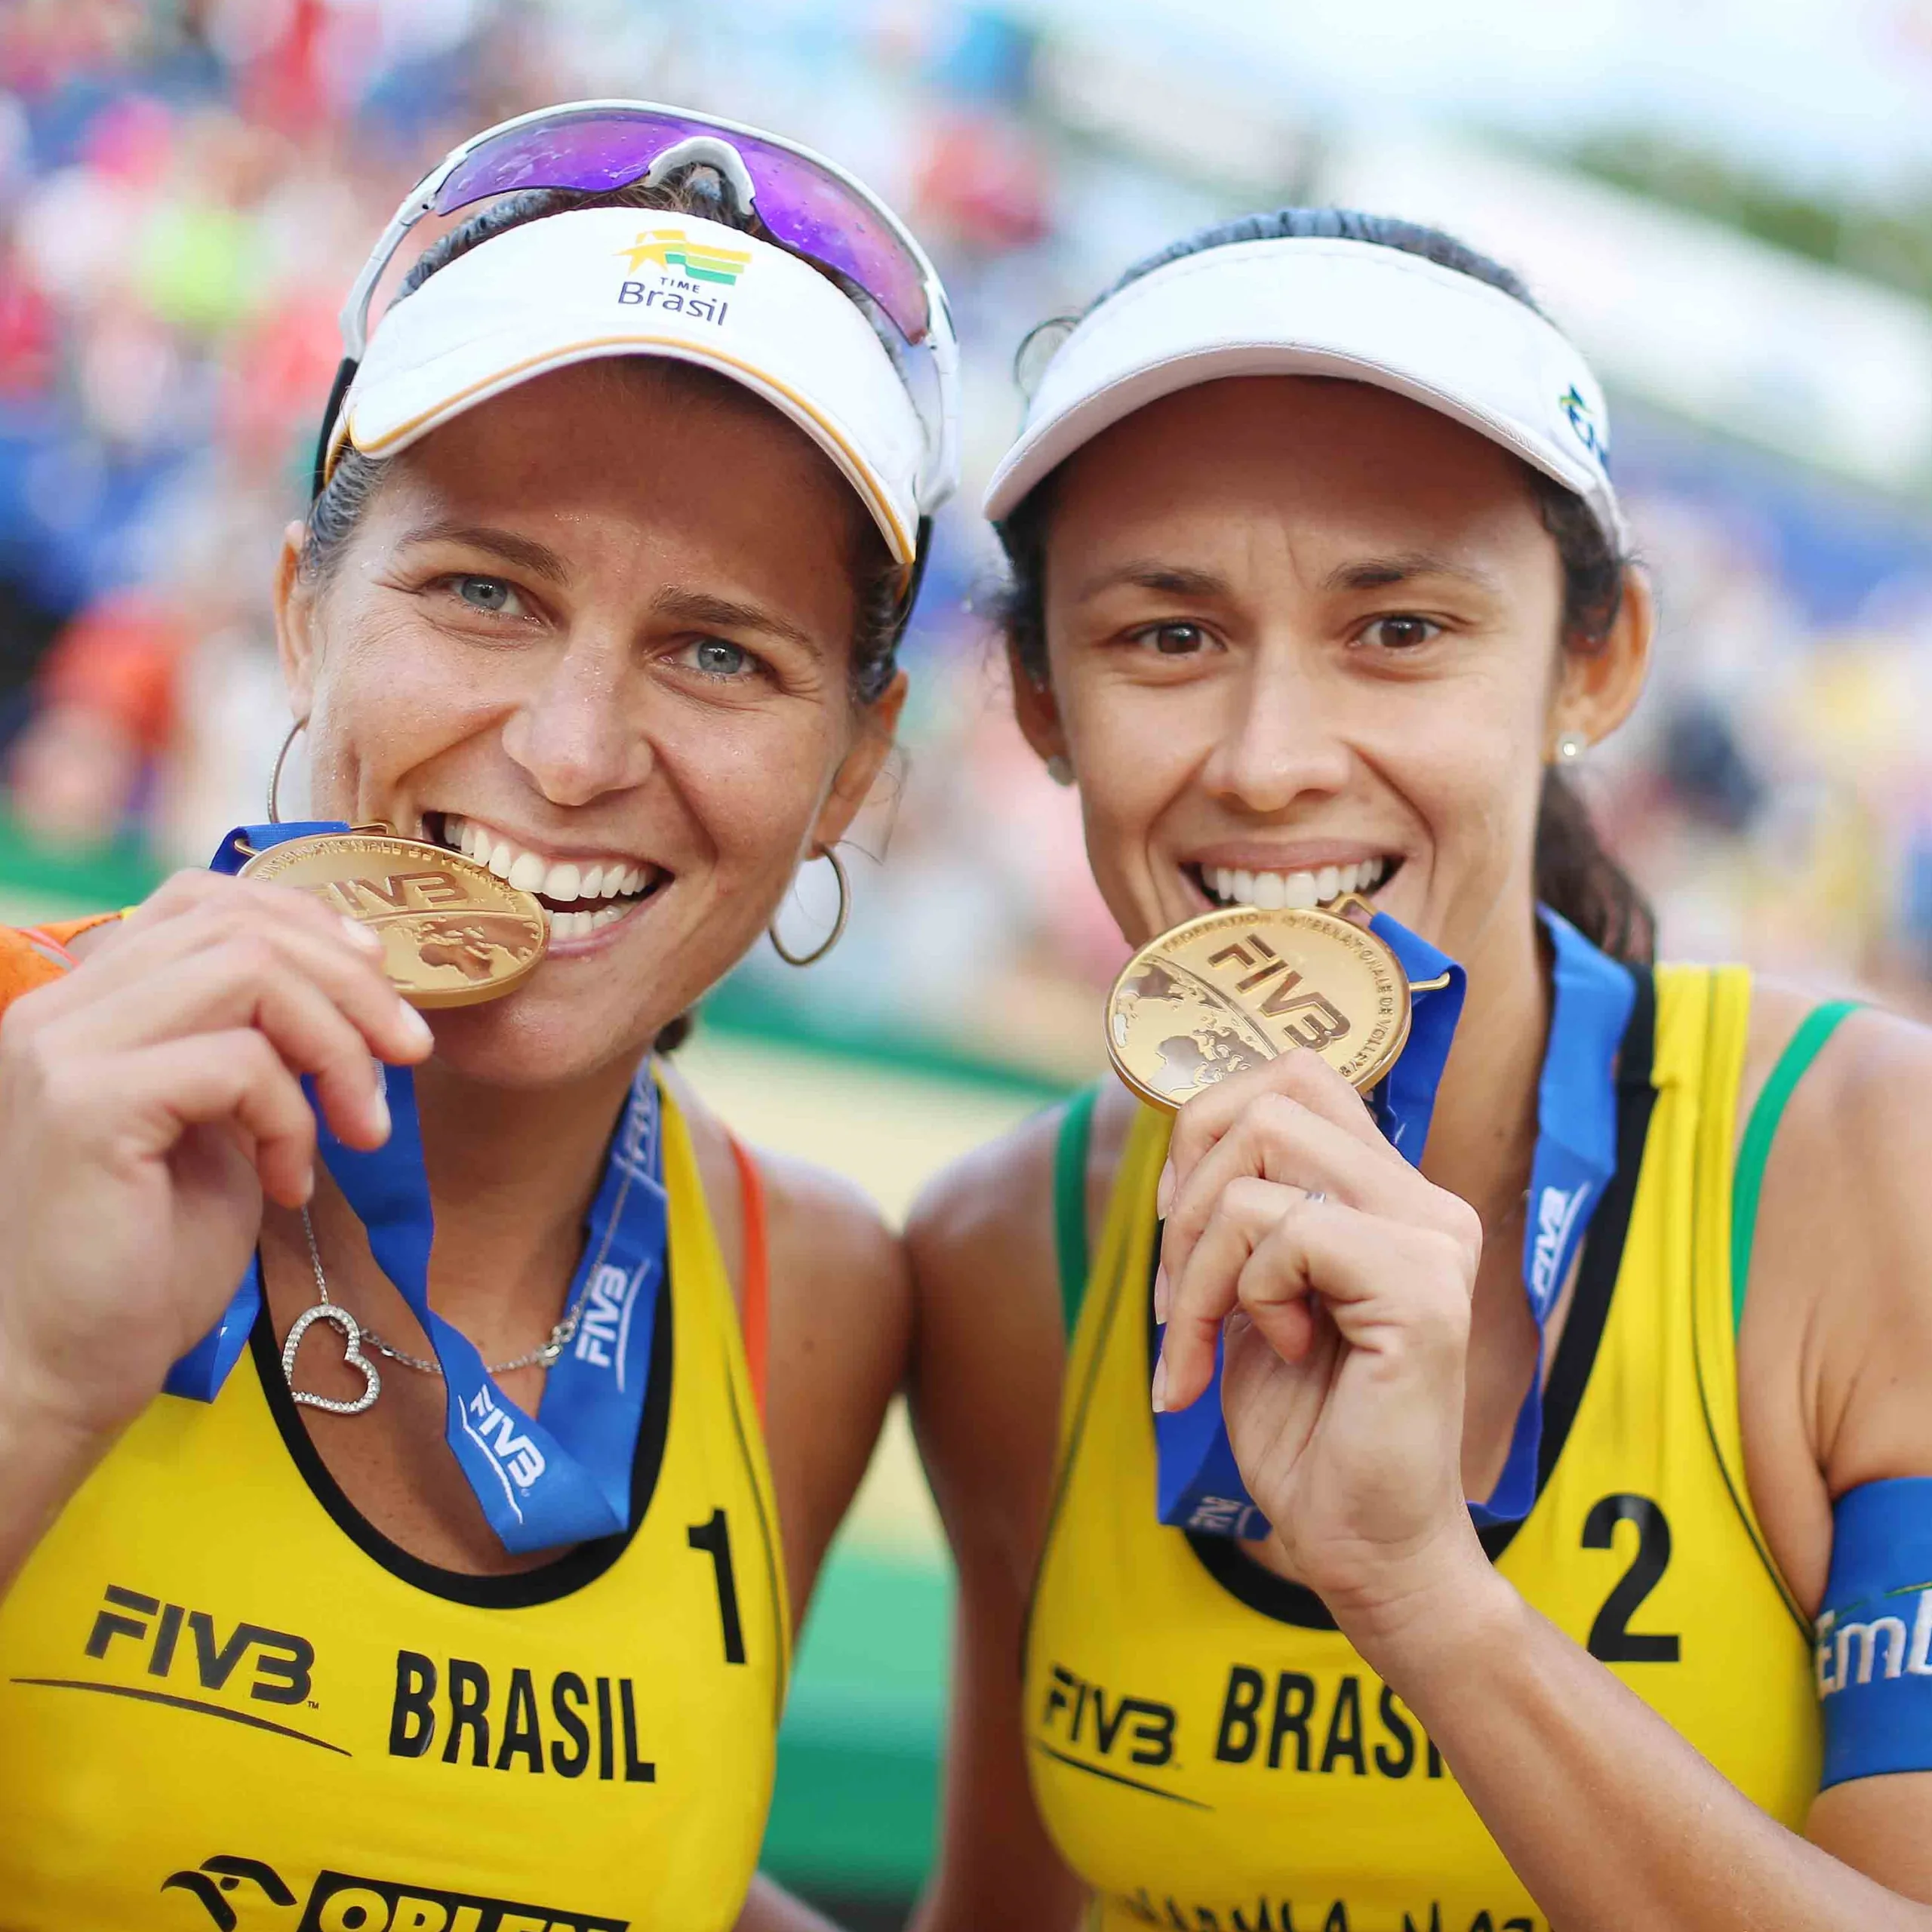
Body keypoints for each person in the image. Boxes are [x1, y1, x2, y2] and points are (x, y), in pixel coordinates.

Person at [908, 208, 1932, 1930]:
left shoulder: (1858, 1166)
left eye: (1398, 630)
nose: (1270, 759)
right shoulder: (1009, 1256)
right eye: (1166, 636)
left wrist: (1422, 1596)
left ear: (1591, 664)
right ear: (1036, 703)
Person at [0, 100, 958, 1932]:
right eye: (483, 590)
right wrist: (35, 1380)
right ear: (302, 616)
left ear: (851, 770)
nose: (574, 750)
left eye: (718, 649)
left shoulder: (808, 1294)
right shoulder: (15, 1076)